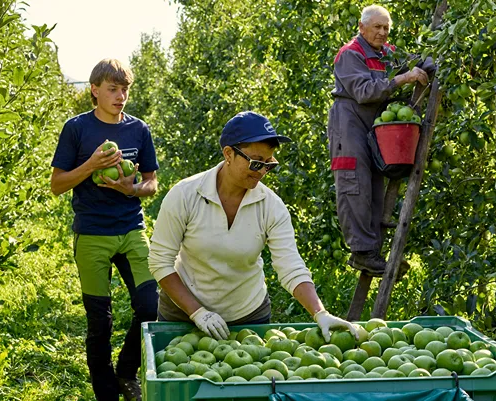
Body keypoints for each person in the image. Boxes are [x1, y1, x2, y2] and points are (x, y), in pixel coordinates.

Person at [148, 111, 359, 341]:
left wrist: (320, 313)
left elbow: (290, 266)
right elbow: (160, 260)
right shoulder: (185, 195)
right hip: (182, 314)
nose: (262, 172)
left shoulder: (270, 206)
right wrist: (197, 312)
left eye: (269, 164)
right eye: (256, 162)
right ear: (228, 153)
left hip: (246, 318)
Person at [50, 59, 159, 401]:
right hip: (93, 233)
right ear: (94, 91)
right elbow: (57, 184)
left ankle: (127, 372)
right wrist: (92, 165)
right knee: (100, 322)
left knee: (149, 307)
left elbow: (152, 182)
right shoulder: (77, 129)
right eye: (112, 89)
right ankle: (106, 392)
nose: (120, 96)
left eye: (124, 89)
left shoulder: (138, 129)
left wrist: (131, 189)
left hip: (131, 229)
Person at [327, 5, 435, 276]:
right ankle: (361, 252)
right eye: (377, 27)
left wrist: (431, 61)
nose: (382, 32)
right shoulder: (350, 54)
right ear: (362, 28)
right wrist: (403, 79)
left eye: (386, 27)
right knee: (354, 182)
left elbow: (412, 63)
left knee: (375, 182)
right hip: (348, 122)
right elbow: (363, 91)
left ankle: (372, 251)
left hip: (375, 125)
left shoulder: (387, 53)